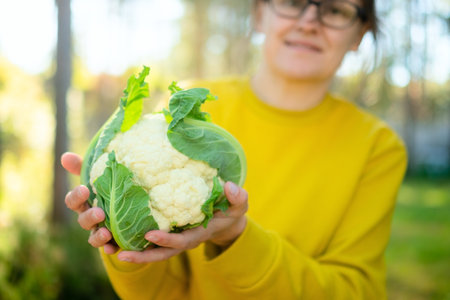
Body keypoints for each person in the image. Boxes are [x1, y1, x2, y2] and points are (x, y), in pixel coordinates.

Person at [61, 0, 407, 299]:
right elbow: (159, 294)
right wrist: (122, 236)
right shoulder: (193, 107)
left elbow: (354, 292)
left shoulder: (377, 147)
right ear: (260, 13)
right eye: (292, 2)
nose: (309, 22)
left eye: (335, 9)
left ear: (360, 34)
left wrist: (236, 238)